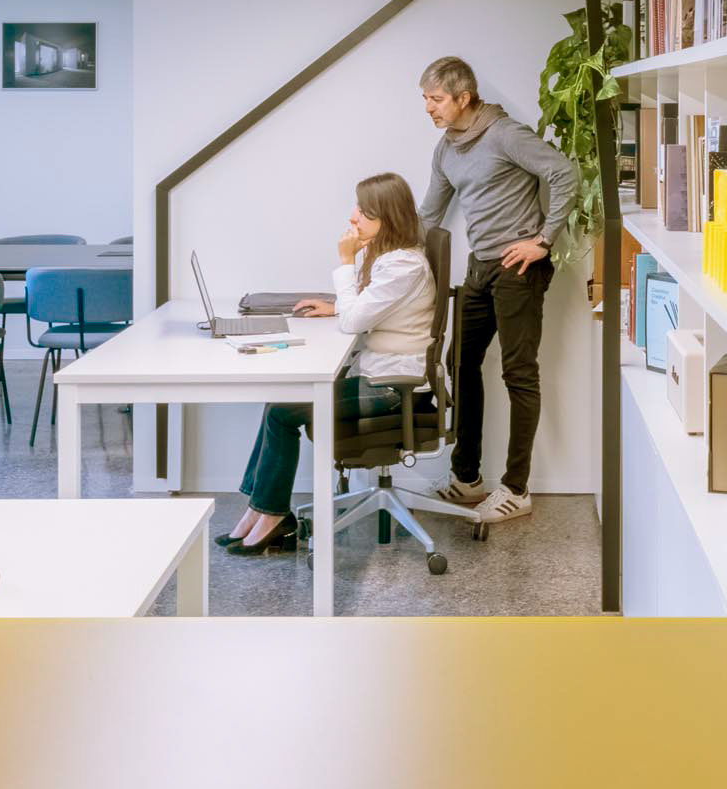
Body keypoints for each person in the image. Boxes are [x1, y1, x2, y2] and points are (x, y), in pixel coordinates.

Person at [221, 172, 436, 558]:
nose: (353, 218)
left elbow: (355, 321)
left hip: (392, 388)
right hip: (380, 377)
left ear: (387, 217)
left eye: (364, 212)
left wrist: (346, 262)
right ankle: (260, 510)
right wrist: (336, 306)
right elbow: (370, 308)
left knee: (282, 412)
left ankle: (272, 515)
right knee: (279, 403)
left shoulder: (403, 266)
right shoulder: (392, 259)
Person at [414, 54, 574, 525]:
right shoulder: (446, 148)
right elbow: (430, 215)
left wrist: (543, 240)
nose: (429, 107)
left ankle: (517, 489)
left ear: (463, 97)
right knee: (459, 363)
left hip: (517, 269)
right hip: (480, 268)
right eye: (425, 99)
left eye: (436, 98)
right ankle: (467, 478)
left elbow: (564, 172)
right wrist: (385, 257)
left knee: (518, 373)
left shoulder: (505, 134)